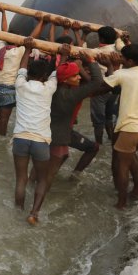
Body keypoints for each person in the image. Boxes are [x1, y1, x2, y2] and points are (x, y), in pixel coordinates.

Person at [102, 44, 138, 209]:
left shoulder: (122, 74)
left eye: (122, 58)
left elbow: (103, 86)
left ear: (129, 61)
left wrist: (110, 66)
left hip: (130, 129)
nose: (120, 59)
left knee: (122, 165)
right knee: (130, 155)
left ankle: (121, 202)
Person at [11, 39, 58, 224]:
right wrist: (59, 53)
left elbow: (22, 68)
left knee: (21, 179)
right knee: (42, 180)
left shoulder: (20, 85)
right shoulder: (49, 88)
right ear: (44, 76)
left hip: (20, 138)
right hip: (40, 141)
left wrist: (28, 48)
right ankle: (34, 213)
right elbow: (56, 71)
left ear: (29, 73)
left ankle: (17, 210)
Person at [46, 52, 107, 191]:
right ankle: (40, 200)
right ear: (67, 79)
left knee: (57, 160)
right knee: (51, 169)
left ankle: (39, 185)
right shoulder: (74, 93)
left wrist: (64, 58)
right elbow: (97, 82)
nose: (80, 75)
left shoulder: (54, 86)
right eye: (76, 74)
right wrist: (91, 61)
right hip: (61, 133)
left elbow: (58, 73)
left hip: (55, 130)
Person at [0, 13, 45, 135]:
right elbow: (32, 38)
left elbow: (3, 31)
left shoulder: (2, 48)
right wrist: (42, 22)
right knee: (5, 118)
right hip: (8, 88)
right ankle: (0, 141)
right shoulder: (18, 51)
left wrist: (3, 12)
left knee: (1, 114)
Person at [89, 26, 124, 144]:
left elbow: (81, 52)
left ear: (101, 38)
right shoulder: (119, 50)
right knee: (109, 116)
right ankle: (111, 138)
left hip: (101, 88)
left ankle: (98, 144)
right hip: (115, 88)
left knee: (98, 120)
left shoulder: (97, 52)